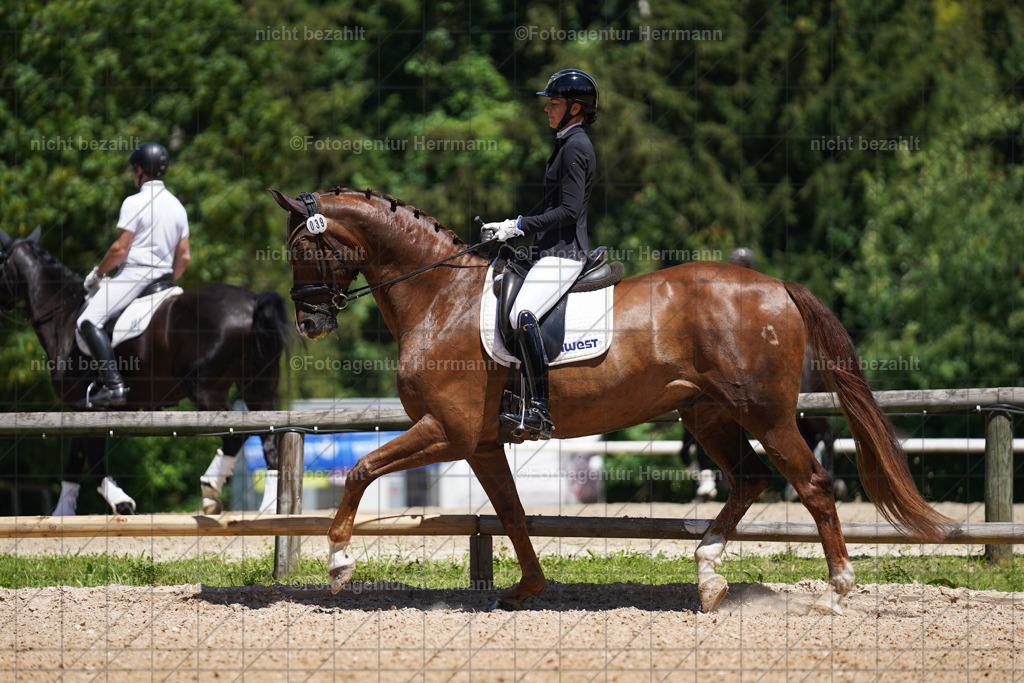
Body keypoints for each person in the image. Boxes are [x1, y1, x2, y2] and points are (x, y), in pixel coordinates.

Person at [481, 68, 598, 440]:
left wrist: (518, 224)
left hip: (565, 253)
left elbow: (569, 211)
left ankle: (539, 409)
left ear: (575, 108)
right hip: (549, 250)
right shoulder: (565, 142)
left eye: (555, 103)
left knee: (522, 314)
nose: (547, 108)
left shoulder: (576, 146)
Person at [76, 141, 190, 408]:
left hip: (134, 276)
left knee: (87, 320)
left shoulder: (133, 202)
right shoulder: (177, 206)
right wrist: (168, 279)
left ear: (140, 169)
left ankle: (113, 385)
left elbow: (119, 249)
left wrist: (98, 272)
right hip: (165, 280)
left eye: (134, 169)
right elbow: (184, 256)